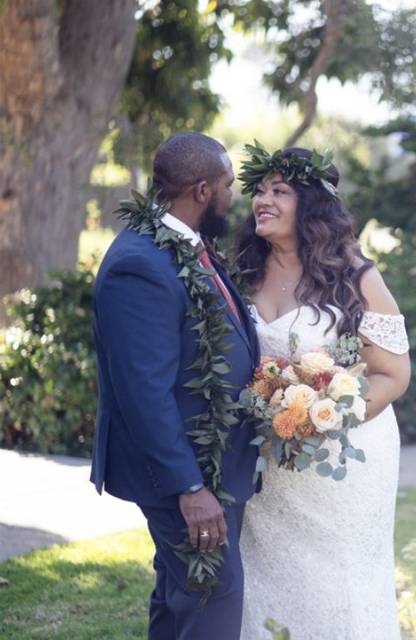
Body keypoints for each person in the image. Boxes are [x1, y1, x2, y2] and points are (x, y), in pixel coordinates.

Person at [234, 146, 411, 639]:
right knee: (268, 580)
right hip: (269, 460)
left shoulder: (354, 276)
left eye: (280, 191)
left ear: (310, 204)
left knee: (340, 585)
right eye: (261, 190)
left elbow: (393, 375)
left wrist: (325, 415)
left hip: (345, 461)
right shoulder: (242, 271)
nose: (263, 201)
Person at [90, 131, 260, 639]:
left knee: (180, 599)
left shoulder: (185, 247)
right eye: (229, 185)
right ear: (203, 191)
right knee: (213, 600)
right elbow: (142, 392)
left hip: (210, 465)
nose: (235, 197)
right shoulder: (139, 265)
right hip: (184, 474)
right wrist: (190, 488)